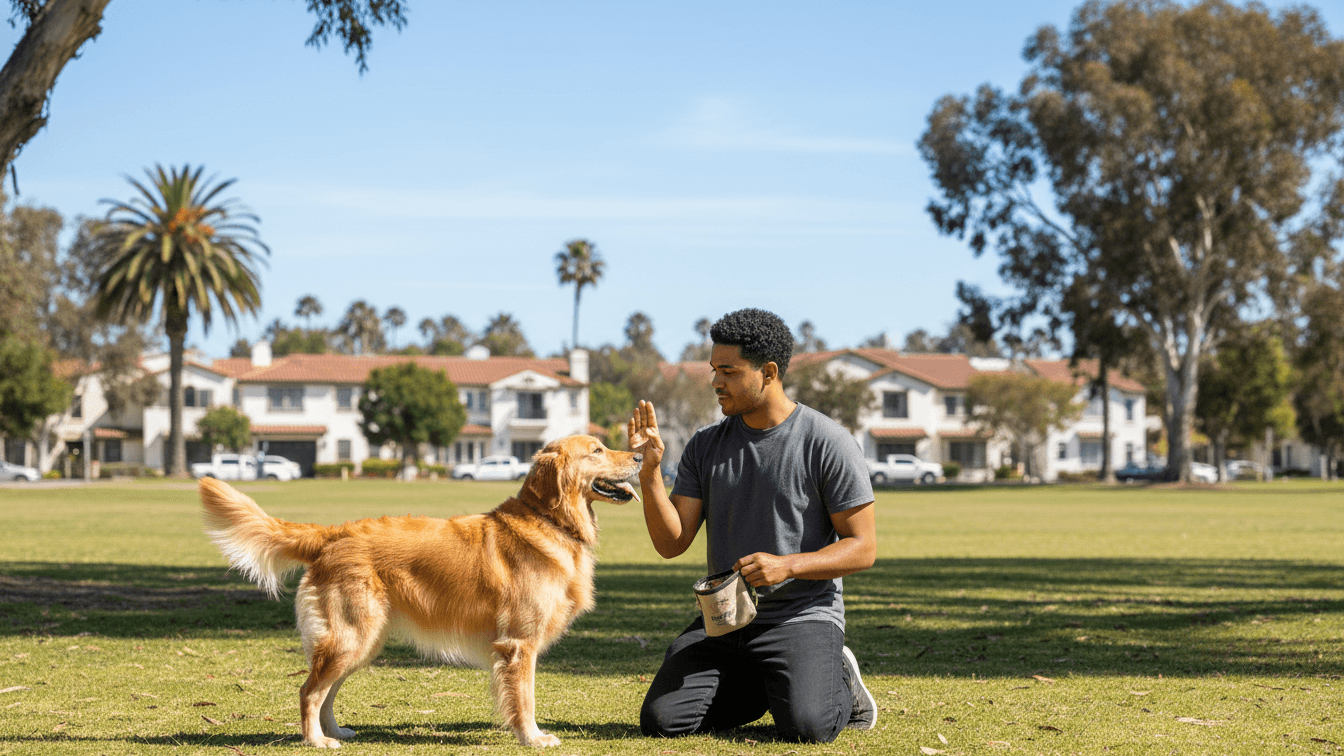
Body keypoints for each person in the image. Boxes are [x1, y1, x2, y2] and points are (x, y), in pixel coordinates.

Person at [629, 307, 878, 743]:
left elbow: (863, 547)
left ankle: (838, 680)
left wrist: (788, 566)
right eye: (714, 369)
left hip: (801, 616)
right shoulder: (705, 445)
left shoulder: (828, 442)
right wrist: (650, 473)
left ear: (769, 373)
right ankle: (775, 680)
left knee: (807, 727)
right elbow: (672, 543)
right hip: (726, 617)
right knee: (663, 722)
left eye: (728, 371)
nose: (716, 382)